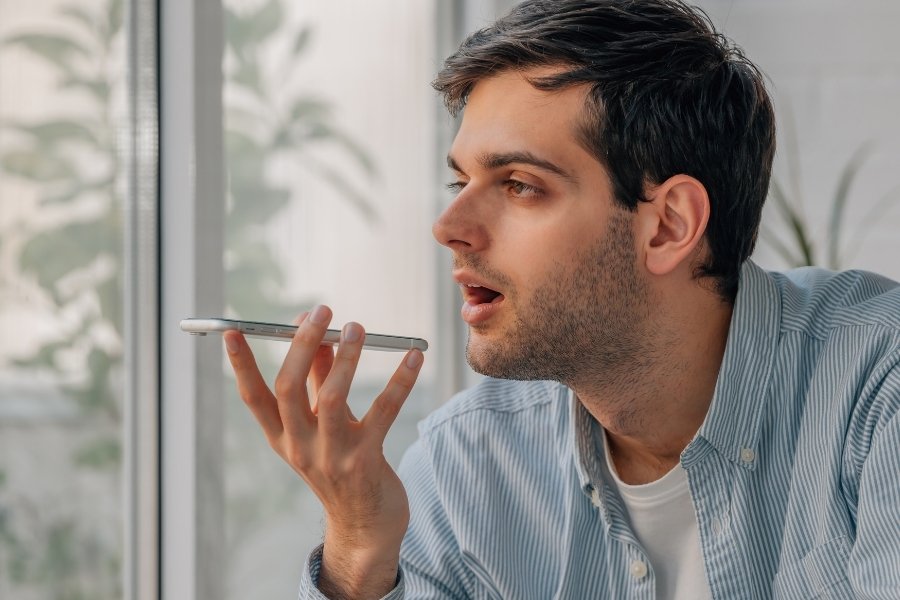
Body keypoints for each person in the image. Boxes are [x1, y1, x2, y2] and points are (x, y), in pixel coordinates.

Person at [223, 0, 900, 598]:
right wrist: (359, 555)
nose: (449, 228)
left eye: (519, 185)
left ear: (667, 224)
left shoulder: (876, 394)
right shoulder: (471, 467)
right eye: (459, 181)